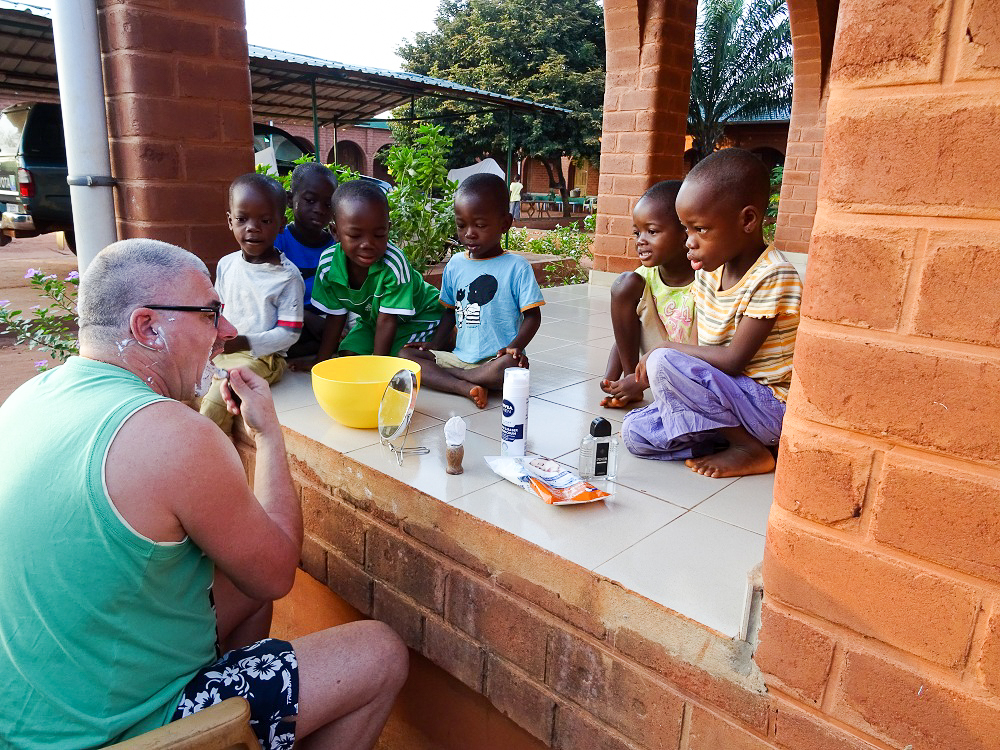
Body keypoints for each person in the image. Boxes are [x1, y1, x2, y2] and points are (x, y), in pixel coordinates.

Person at [0, 239, 408, 749]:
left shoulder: (29, 397)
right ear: (148, 327)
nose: (230, 332)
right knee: (379, 652)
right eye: (211, 313)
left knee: (243, 587)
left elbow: (253, 580)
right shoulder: (171, 433)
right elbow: (278, 570)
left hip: (32, 719)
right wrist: (270, 435)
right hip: (119, 733)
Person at [621, 149, 802, 478]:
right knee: (635, 433)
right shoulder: (707, 273)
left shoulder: (774, 275)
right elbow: (697, 351)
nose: (688, 242)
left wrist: (665, 350)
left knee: (664, 359)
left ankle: (750, 449)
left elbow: (733, 361)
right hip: (728, 401)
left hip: (768, 406)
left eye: (700, 229)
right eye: (685, 229)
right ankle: (723, 437)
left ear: (747, 220)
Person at [400, 173, 543, 409]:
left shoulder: (517, 267)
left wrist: (516, 346)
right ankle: (465, 386)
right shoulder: (455, 264)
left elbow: (533, 316)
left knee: (512, 368)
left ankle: (454, 380)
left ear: (505, 224)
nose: (469, 233)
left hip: (496, 360)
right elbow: (448, 313)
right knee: (406, 357)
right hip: (458, 356)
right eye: (461, 225)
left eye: (480, 225)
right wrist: (433, 346)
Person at [199, 173, 304, 433]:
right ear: (229, 221)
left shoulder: (287, 277)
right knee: (187, 389)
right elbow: (219, 311)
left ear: (281, 224)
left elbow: (289, 333)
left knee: (215, 401)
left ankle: (212, 453)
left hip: (262, 358)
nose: (252, 228)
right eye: (242, 219)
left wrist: (245, 342)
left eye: (265, 220)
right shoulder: (226, 264)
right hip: (224, 350)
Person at [311, 180, 441, 360]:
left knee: (401, 357)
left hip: (420, 316)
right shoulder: (328, 263)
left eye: (379, 235)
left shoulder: (393, 263)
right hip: (374, 321)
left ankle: (447, 337)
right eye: (355, 235)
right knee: (348, 354)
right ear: (335, 232)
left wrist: (377, 369)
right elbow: (335, 318)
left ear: (388, 229)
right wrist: (320, 363)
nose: (368, 244)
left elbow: (387, 320)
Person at [600, 179, 696, 409]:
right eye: (637, 232)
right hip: (651, 357)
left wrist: (640, 382)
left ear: (685, 234)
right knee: (624, 283)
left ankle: (637, 382)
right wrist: (612, 379)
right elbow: (626, 333)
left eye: (652, 231)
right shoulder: (644, 277)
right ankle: (632, 379)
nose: (640, 241)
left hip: (691, 362)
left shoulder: (706, 278)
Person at [275, 162, 338, 361]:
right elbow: (267, 291)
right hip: (287, 316)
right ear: (290, 199)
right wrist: (306, 317)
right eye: (310, 200)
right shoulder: (278, 240)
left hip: (325, 320)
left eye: (327, 204)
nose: (319, 210)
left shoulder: (335, 247)